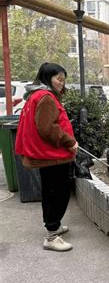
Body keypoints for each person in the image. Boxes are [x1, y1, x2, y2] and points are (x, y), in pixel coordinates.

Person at [15, 63, 78, 252]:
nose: (61, 83)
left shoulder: (36, 96)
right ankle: (51, 236)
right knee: (58, 193)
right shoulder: (46, 98)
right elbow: (47, 128)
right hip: (52, 155)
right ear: (46, 78)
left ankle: (55, 226)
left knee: (50, 192)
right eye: (58, 79)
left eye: (63, 79)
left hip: (48, 155)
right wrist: (69, 141)